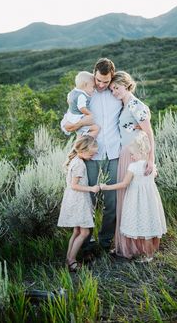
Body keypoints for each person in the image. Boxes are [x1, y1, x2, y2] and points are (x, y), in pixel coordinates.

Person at [64, 58, 122, 253]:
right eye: (99, 80)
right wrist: (81, 124)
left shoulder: (117, 93)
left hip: (114, 152)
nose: (102, 85)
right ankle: (87, 247)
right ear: (94, 74)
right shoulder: (85, 94)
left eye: (106, 81)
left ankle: (105, 244)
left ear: (111, 77)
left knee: (111, 202)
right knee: (87, 202)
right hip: (90, 155)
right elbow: (65, 125)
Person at [100, 131, 167, 262]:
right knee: (150, 224)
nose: (130, 156)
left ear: (141, 152)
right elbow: (154, 176)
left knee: (142, 225)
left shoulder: (133, 167)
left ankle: (148, 256)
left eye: (132, 154)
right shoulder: (151, 166)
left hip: (137, 200)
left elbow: (124, 184)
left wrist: (107, 187)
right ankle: (152, 253)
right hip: (150, 199)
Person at [109, 71, 155, 258]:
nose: (114, 92)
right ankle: (125, 245)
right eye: (112, 89)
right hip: (125, 155)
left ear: (126, 85)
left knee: (136, 201)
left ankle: (139, 247)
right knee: (125, 199)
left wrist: (151, 159)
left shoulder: (136, 105)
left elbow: (149, 133)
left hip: (136, 157)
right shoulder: (123, 105)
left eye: (117, 88)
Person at [57, 135, 100, 271]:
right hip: (78, 200)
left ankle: (68, 259)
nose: (93, 155)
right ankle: (72, 261)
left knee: (76, 231)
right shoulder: (80, 164)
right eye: (91, 153)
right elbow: (74, 185)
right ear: (82, 151)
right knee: (84, 232)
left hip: (73, 199)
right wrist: (92, 188)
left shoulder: (75, 160)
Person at [61, 71, 100, 138]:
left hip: (71, 117)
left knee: (80, 131)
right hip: (78, 118)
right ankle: (84, 139)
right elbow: (82, 108)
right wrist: (89, 113)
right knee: (96, 129)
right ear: (85, 85)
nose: (94, 89)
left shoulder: (72, 92)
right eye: (93, 87)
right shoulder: (82, 96)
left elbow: (68, 101)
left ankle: (81, 137)